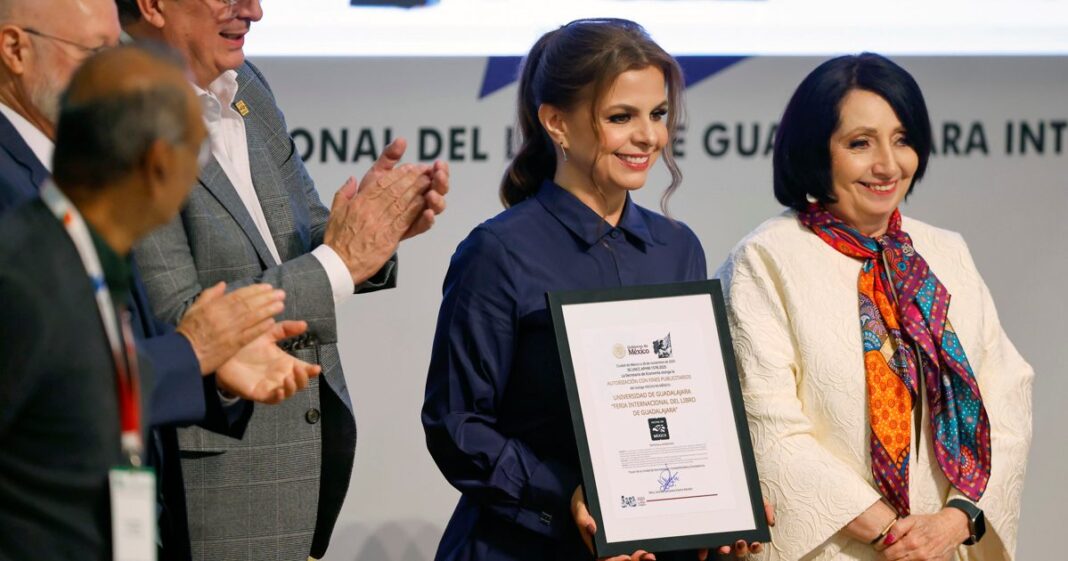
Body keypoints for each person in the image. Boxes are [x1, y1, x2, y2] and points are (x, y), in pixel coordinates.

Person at [117, 0, 450, 558]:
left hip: (299, 464)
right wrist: (341, 261)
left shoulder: (245, 82)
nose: (254, 11)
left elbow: (303, 235)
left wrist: (375, 227)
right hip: (213, 483)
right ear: (151, 5)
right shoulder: (118, 115)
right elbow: (183, 325)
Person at [422, 18, 763, 561]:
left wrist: (721, 505)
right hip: (526, 548)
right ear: (557, 123)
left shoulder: (678, 248)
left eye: (657, 114)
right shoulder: (498, 252)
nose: (648, 137)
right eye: (620, 117)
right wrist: (567, 498)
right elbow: (456, 425)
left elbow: (689, 412)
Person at [0, 44, 321, 560]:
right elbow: (63, 401)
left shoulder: (95, 255)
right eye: (198, 157)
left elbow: (88, 383)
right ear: (159, 165)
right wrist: (192, 350)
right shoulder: (22, 269)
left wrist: (208, 368)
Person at [716, 53, 1033, 560]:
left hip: (943, 547)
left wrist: (956, 519)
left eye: (902, 139)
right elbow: (765, 424)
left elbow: (1003, 397)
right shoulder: (765, 259)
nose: (888, 165)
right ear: (816, 150)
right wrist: (896, 535)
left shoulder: (946, 252)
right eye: (860, 143)